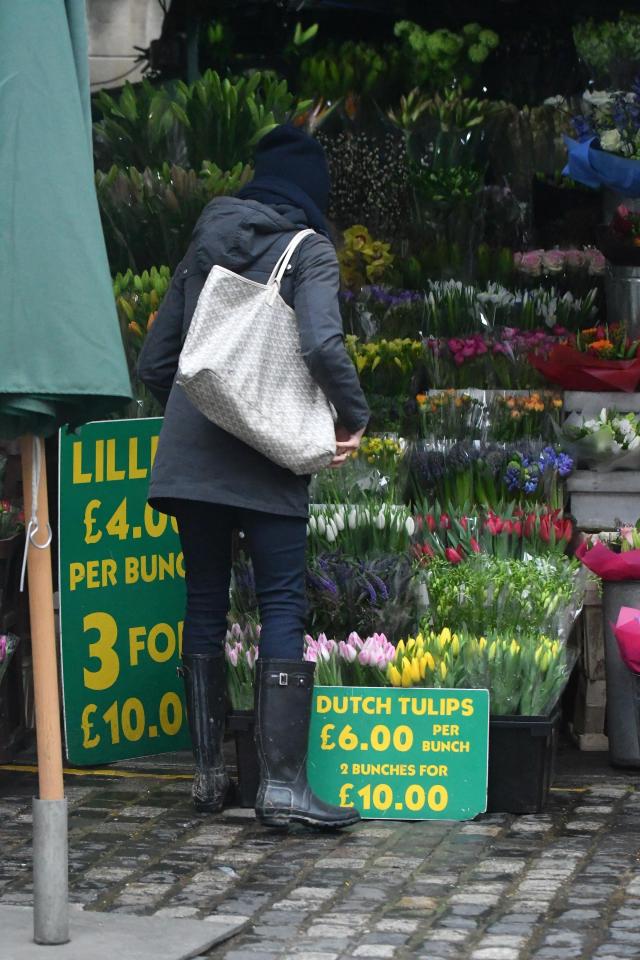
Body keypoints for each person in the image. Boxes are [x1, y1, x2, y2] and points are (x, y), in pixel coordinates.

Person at [137, 125, 370, 829]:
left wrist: (204, 414)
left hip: (192, 456)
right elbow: (322, 342)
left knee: (204, 602)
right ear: (314, 189)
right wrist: (351, 418)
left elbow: (156, 362)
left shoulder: (208, 239)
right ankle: (283, 788)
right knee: (279, 607)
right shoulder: (310, 251)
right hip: (268, 457)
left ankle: (210, 779)